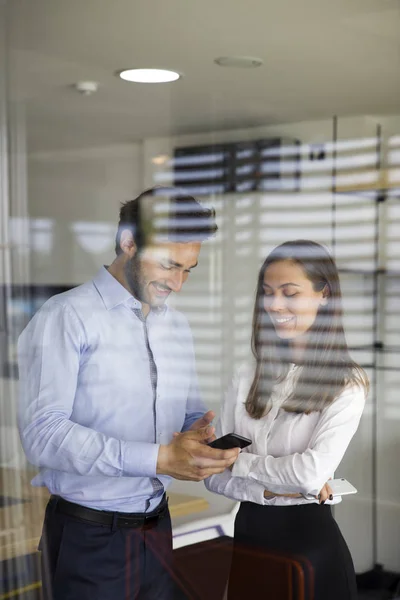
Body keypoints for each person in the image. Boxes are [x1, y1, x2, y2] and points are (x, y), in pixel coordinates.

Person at [17, 187, 239, 600]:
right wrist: (159, 458)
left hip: (157, 529)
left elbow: (187, 415)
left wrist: (203, 439)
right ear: (128, 242)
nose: (178, 283)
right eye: (169, 265)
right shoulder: (65, 317)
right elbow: (43, 434)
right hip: (89, 538)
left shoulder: (176, 326)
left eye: (188, 269)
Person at [205, 239, 369, 600]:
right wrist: (271, 489)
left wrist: (239, 463)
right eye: (267, 292)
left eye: (289, 293)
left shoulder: (346, 383)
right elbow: (212, 477)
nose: (275, 304)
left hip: (310, 550)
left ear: (323, 295)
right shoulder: (246, 376)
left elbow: (310, 474)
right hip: (248, 542)